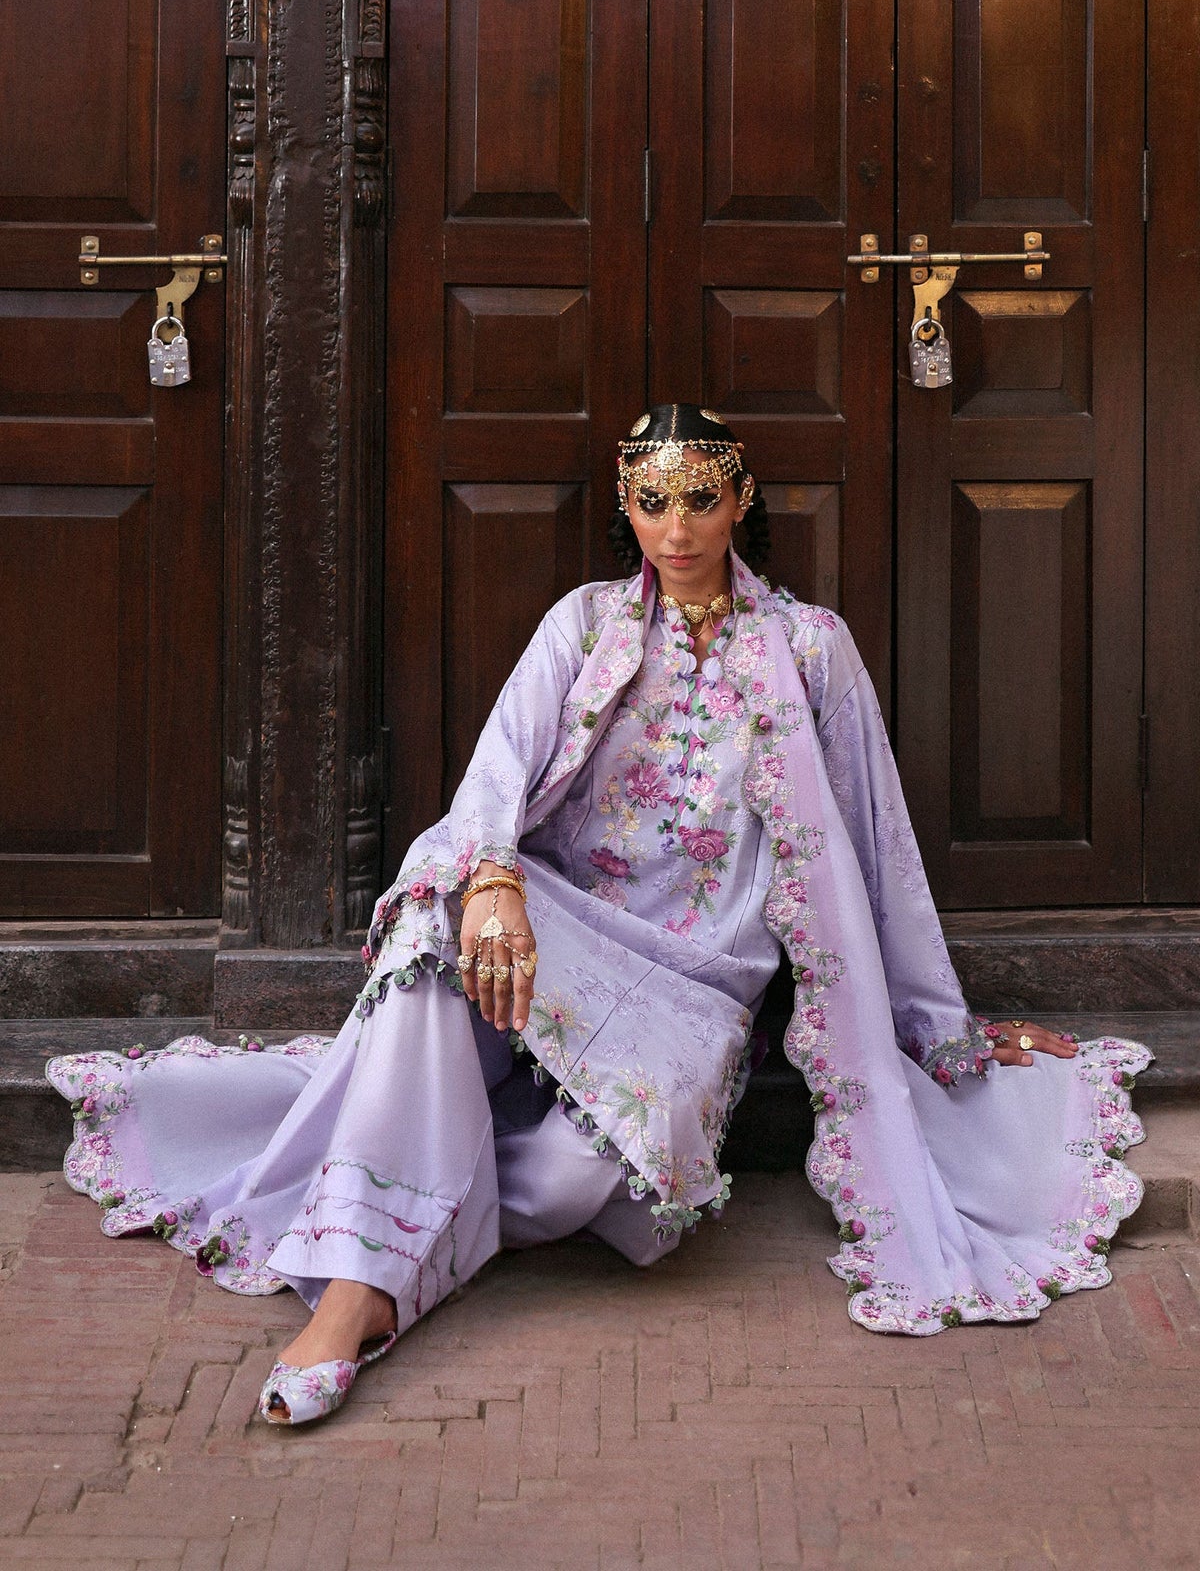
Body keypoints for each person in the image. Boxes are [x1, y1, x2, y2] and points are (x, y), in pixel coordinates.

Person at [47, 403, 1149, 1426]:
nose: (678, 528)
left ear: (742, 499)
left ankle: (392, 1199)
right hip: (555, 933)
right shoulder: (584, 626)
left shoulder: (811, 647)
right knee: (438, 923)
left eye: (701, 498)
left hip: (693, 989)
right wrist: (493, 884)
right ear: (627, 506)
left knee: (591, 1181)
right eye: (653, 502)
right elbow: (495, 773)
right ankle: (358, 1291)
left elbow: (877, 836)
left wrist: (938, 1025)